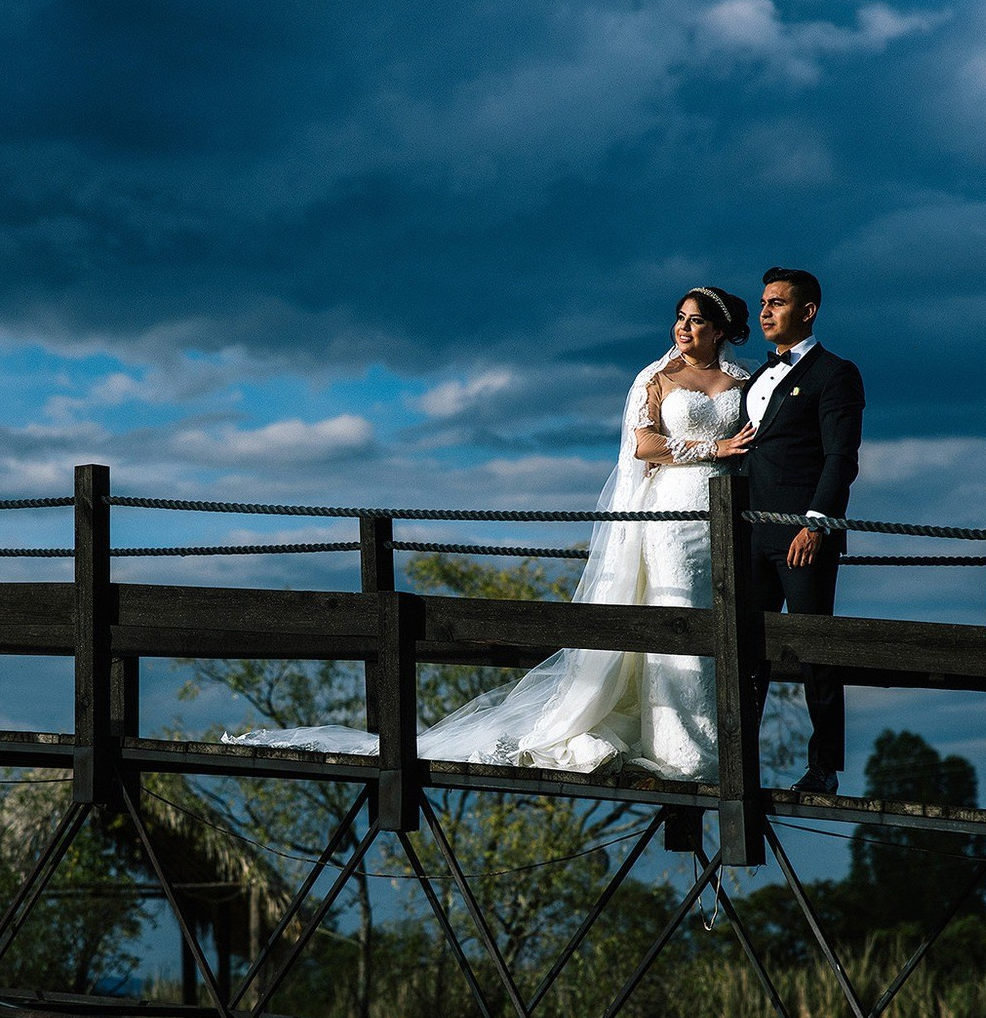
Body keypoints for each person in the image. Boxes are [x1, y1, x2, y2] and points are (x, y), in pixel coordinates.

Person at [224, 287, 757, 780]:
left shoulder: (745, 380)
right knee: (678, 618)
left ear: (722, 330)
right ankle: (682, 752)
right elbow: (642, 447)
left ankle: (720, 744)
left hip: (727, 516)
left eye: (696, 322)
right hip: (670, 514)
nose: (683, 329)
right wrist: (713, 450)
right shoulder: (656, 378)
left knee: (723, 621)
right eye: (679, 319)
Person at [740, 267, 864, 794]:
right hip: (748, 535)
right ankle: (736, 757)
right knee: (744, 646)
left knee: (815, 649)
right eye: (763, 302)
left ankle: (824, 769)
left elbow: (841, 459)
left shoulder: (836, 373)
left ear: (807, 311)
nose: (765, 311)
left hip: (803, 535)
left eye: (778, 303)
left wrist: (816, 524)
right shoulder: (754, 376)